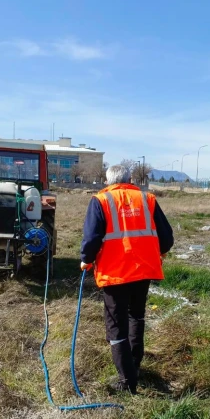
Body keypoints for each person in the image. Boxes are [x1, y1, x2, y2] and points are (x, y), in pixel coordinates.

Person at [80, 165, 174, 394]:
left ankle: (127, 381)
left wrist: (86, 259)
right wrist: (158, 252)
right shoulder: (147, 199)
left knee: (116, 326)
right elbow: (167, 238)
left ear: (107, 180)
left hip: (115, 274)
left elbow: (92, 238)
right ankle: (134, 366)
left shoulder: (100, 201)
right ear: (130, 179)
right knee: (136, 316)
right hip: (143, 271)